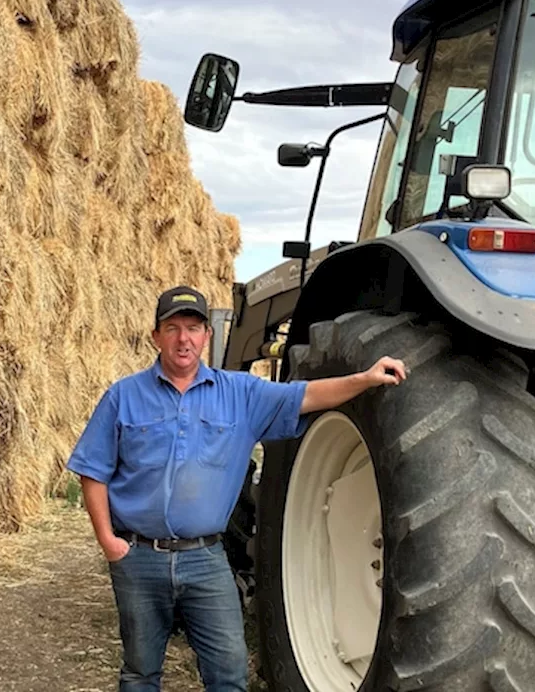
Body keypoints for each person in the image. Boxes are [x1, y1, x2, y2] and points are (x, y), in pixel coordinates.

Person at [66, 285, 407, 692]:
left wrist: (363, 378)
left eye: (193, 328)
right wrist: (109, 541)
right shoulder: (123, 397)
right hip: (139, 558)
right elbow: (93, 470)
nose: (183, 339)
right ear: (155, 336)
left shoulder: (241, 393)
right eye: (172, 328)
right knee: (140, 671)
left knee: (229, 672)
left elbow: (308, 395)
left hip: (205, 560)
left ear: (207, 336)